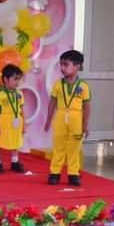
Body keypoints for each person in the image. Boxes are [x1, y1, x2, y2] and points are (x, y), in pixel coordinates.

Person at [44, 50, 90, 186]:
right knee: (58, 146)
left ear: (77, 66)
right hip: (60, 116)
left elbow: (87, 107)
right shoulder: (58, 84)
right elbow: (52, 103)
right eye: (61, 65)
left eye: (66, 64)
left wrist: (85, 125)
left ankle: (73, 174)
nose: (62, 68)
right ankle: (55, 172)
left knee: (74, 148)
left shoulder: (84, 86)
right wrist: (48, 120)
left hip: (76, 118)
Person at [0, 64, 25, 173]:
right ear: (5, 79)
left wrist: (24, 124)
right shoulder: (0, 94)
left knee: (15, 140)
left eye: (19, 79)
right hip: (3, 122)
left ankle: (15, 161)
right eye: (15, 79)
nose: (17, 82)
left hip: (16, 121)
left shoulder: (19, 94)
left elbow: (22, 110)